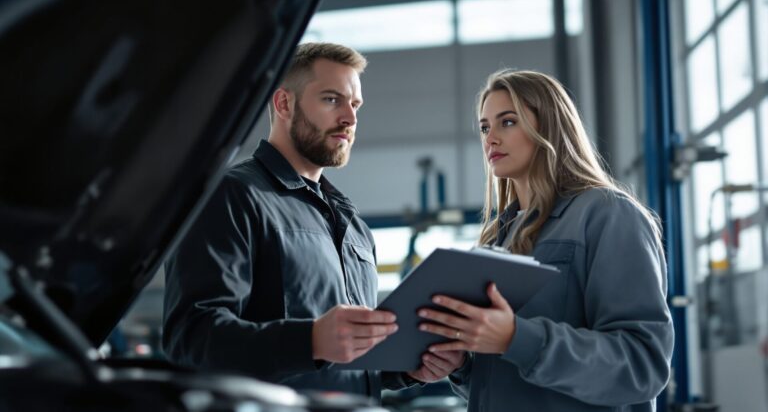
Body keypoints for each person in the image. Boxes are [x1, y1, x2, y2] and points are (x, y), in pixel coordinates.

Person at [162, 42, 464, 398]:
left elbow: (345, 360)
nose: (350, 119)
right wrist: (309, 340)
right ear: (284, 103)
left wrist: (403, 370)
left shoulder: (354, 226)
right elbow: (190, 339)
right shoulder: (231, 196)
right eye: (332, 99)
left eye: (355, 105)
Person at [417, 69, 674, 411]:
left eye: (507, 122)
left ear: (549, 126)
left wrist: (516, 338)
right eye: (484, 127)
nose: (490, 138)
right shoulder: (496, 238)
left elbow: (642, 365)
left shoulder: (607, 215)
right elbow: (512, 386)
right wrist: (463, 367)